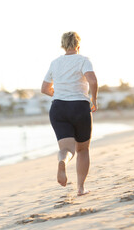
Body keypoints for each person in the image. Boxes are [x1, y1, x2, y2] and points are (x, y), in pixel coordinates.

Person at [41, 31, 98, 196]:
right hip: (79, 107)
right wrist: (94, 99)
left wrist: (60, 94)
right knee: (82, 150)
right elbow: (92, 80)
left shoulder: (55, 63)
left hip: (58, 108)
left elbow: (44, 89)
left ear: (63, 46)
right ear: (78, 46)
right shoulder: (83, 60)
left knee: (67, 148)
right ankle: (80, 188)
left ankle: (62, 161)